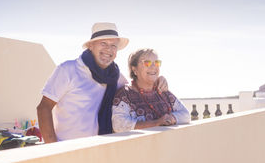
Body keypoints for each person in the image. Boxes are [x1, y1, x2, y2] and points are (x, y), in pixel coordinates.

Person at [37, 23, 168, 143]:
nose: (108, 50)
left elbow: (138, 88)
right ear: (90, 45)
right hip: (66, 150)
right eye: (103, 43)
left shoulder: (116, 77)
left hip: (100, 150)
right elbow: (44, 108)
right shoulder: (68, 69)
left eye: (113, 46)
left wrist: (157, 80)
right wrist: (53, 147)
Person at [112, 48, 190, 131]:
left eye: (157, 63)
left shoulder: (163, 91)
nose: (153, 67)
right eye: (147, 63)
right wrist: (156, 123)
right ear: (134, 69)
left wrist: (172, 118)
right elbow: (118, 125)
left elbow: (186, 115)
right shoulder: (124, 94)